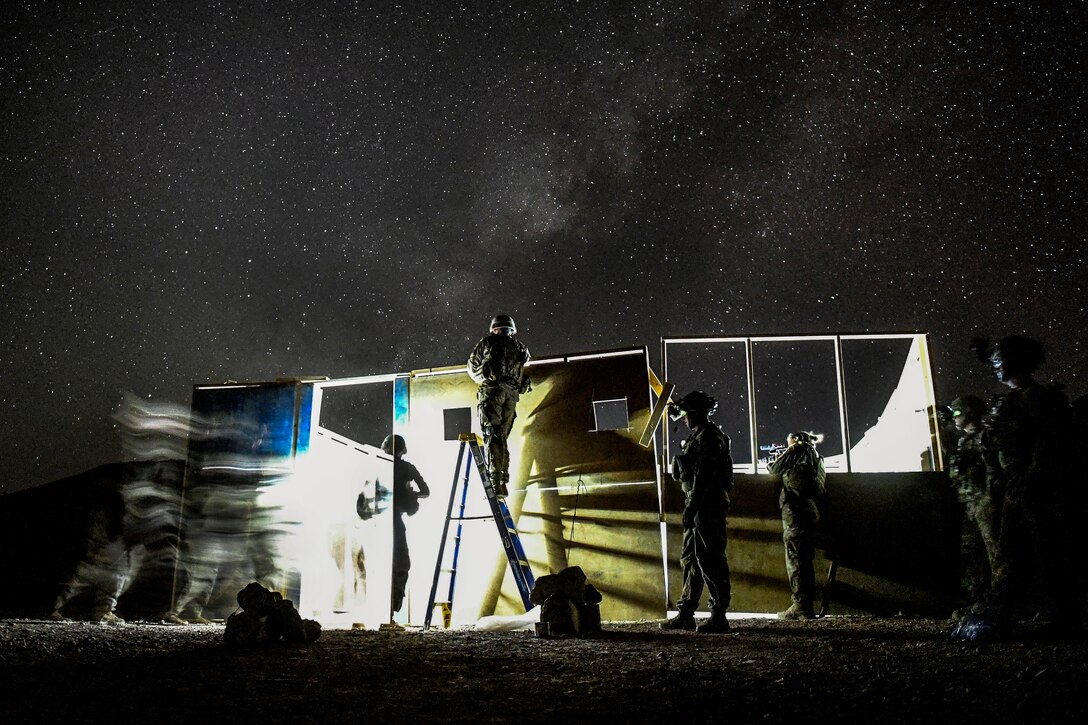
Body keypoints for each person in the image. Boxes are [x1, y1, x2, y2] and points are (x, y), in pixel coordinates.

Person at [950, 335, 1083, 641]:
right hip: (1017, 487)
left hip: (1037, 489)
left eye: (999, 361)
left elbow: (1052, 444)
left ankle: (1063, 617)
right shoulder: (1013, 401)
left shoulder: (1037, 399)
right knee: (1012, 553)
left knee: (1048, 553)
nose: (995, 368)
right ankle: (1006, 614)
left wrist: (1032, 478)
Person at [660, 390, 733, 634]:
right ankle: (686, 613)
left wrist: (692, 506)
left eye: (686, 415)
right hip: (697, 502)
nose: (683, 419)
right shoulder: (700, 436)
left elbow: (704, 476)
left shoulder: (710, 438)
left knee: (710, 558)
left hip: (706, 504)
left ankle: (718, 615)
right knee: (691, 559)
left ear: (695, 413)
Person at [945, 395, 1001, 614]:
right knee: (972, 554)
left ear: (970, 412)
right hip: (970, 504)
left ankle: (999, 599)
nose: (954, 417)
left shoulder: (987, 436)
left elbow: (995, 470)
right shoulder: (964, 441)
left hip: (986, 503)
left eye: (957, 413)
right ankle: (978, 597)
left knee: (994, 551)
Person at [467, 314, 531, 498]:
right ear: (511, 330)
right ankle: (502, 480)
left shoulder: (488, 342)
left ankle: (495, 482)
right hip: (511, 396)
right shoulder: (520, 348)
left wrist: (486, 378)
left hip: (493, 392)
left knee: (492, 434)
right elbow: (523, 369)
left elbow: (472, 369)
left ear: (494, 328)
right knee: (501, 437)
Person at [768, 431, 826, 620]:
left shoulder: (798, 449)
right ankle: (805, 604)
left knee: (796, 558)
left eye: (789, 441)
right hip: (810, 509)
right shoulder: (817, 457)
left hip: (796, 511)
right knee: (805, 558)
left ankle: (801, 605)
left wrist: (783, 455)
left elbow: (774, 468)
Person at [381, 434, 430, 617]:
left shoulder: (378, 464)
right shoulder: (408, 468)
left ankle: (384, 609)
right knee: (401, 564)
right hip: (396, 521)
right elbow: (425, 492)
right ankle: (392, 610)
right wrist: (411, 494)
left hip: (378, 520)